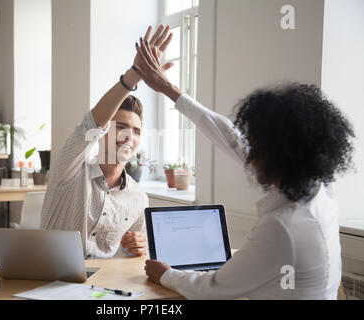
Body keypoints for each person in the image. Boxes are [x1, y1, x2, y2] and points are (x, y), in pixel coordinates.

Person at [134, 36, 354, 299]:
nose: (249, 155)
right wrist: (168, 89)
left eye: (256, 146)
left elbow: (213, 289)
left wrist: (166, 273)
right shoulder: (321, 189)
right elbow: (232, 138)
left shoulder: (283, 227)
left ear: (275, 155)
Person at [41, 26, 173, 259]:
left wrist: (138, 249)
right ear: (102, 132)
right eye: (120, 127)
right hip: (52, 282)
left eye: (136, 131)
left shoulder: (138, 198)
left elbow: (134, 259)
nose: (128, 137)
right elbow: (89, 125)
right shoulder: (70, 170)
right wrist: (133, 75)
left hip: (103, 290)